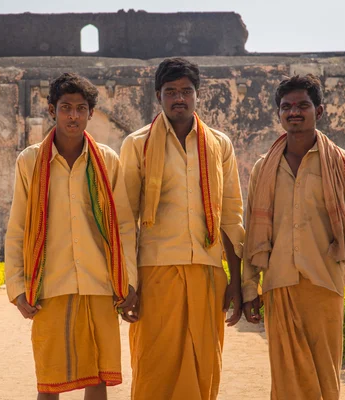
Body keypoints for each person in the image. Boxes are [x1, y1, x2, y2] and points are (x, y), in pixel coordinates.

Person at [4, 72, 138, 400]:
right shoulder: (31, 161)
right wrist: (17, 288)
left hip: (99, 284)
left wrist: (130, 281)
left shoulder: (107, 161)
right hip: (51, 285)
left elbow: (123, 225)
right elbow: (18, 227)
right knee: (49, 382)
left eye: (81, 108)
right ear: (52, 111)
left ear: (91, 113)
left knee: (98, 379)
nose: (73, 116)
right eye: (66, 107)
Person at [120, 57, 245, 400]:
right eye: (170, 91)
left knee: (204, 367)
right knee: (154, 369)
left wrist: (237, 280)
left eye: (186, 91)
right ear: (157, 96)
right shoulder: (137, 144)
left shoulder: (219, 145)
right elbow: (125, 220)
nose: (179, 98)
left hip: (207, 273)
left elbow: (232, 215)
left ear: (197, 95)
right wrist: (128, 282)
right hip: (155, 272)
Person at [242, 74, 345, 400]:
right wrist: (249, 286)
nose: (294, 112)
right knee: (285, 379)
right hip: (279, 283)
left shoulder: (344, 163)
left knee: (325, 375)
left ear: (320, 110)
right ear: (279, 114)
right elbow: (253, 228)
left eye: (303, 105)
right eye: (286, 107)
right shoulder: (264, 167)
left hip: (325, 281)